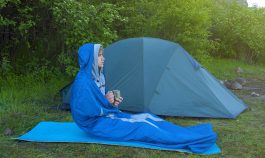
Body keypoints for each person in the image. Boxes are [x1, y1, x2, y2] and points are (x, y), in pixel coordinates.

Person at [71, 43, 217, 153]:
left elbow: (98, 100)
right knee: (143, 126)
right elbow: (84, 111)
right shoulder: (83, 82)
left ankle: (188, 133)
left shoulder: (98, 75)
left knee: (147, 116)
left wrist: (112, 102)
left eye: (102, 54)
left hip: (106, 115)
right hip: (95, 124)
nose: (104, 58)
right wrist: (106, 102)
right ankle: (190, 139)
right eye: (100, 55)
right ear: (91, 58)